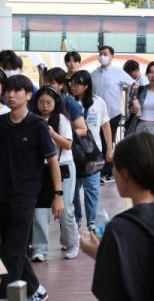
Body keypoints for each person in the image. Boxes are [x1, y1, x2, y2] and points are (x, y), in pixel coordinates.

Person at [80, 132, 154, 301]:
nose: (112, 171)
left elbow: (109, 292)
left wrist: (101, 256)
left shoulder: (120, 228)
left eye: (114, 166)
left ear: (125, 174)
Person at [0, 75, 64, 301]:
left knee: (12, 253)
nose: (10, 95)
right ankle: (36, 290)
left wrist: (58, 195)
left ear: (28, 95)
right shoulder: (1, 123)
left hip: (25, 197)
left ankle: (8, 297)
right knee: (10, 249)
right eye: (8, 90)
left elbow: (53, 161)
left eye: (16, 91)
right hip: (2, 195)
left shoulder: (37, 125)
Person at [31, 86, 80, 261]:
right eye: (41, 102)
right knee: (40, 210)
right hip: (41, 168)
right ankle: (40, 249)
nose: (45, 106)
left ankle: (72, 241)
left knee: (65, 208)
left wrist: (51, 133)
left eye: (49, 102)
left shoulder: (61, 119)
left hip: (63, 166)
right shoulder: (33, 119)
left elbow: (67, 144)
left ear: (56, 103)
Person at [71, 70, 113, 232]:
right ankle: (76, 219)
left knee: (92, 189)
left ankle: (91, 221)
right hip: (73, 152)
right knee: (73, 190)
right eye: (72, 83)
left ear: (86, 86)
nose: (74, 87)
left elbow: (106, 125)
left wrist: (109, 148)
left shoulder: (98, 102)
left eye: (78, 84)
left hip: (92, 153)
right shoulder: (67, 102)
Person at [91, 46, 138, 182]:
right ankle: (99, 170)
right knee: (96, 141)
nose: (102, 56)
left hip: (112, 113)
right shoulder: (94, 74)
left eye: (105, 54)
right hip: (96, 113)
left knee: (108, 142)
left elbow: (133, 83)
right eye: (100, 53)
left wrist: (133, 91)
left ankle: (108, 173)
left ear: (112, 56)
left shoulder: (118, 72)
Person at [43, 68, 88, 138]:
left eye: (51, 83)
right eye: (45, 82)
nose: (47, 85)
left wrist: (62, 137)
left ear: (61, 85)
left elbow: (83, 130)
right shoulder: (40, 101)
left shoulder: (70, 103)